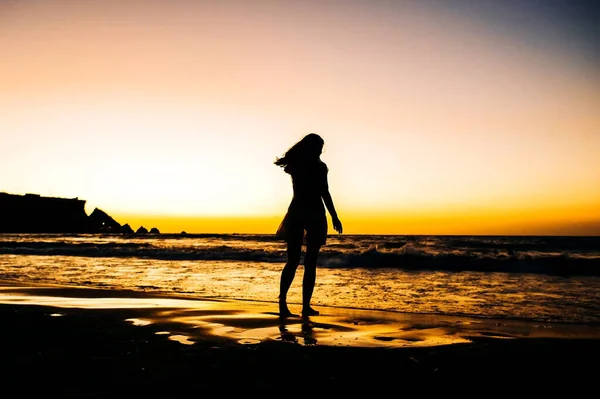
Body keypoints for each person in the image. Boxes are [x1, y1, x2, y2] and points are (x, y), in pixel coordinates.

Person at [274, 133, 343, 317]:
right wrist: (334, 216)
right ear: (312, 148)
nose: (321, 150)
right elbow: (325, 193)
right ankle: (300, 305)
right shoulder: (318, 167)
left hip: (298, 211)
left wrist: (334, 216)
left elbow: (323, 192)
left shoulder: (295, 166)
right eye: (319, 147)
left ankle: (288, 304)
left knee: (295, 261)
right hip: (313, 213)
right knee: (306, 262)